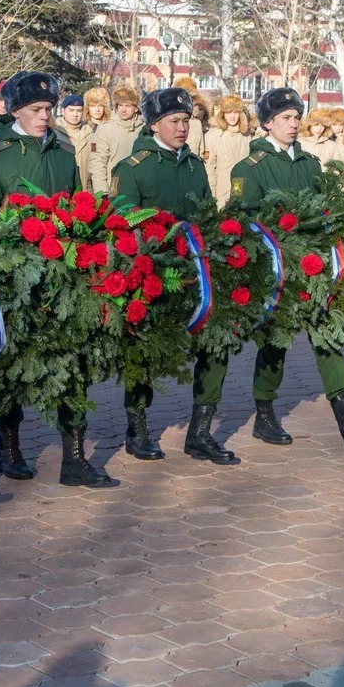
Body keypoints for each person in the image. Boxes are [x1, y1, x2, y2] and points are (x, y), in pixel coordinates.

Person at [0, 71, 113, 489]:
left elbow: (77, 204)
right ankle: (9, 447)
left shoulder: (63, 151)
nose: (45, 117)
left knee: (73, 362)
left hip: (64, 272)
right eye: (37, 110)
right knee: (13, 365)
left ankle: (74, 457)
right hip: (16, 274)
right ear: (16, 111)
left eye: (49, 110)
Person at [230, 88, 344, 452]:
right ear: (268, 123)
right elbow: (242, 220)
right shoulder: (249, 169)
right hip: (278, 269)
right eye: (286, 118)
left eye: (296, 117)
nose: (294, 124)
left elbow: (323, 209)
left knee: (325, 333)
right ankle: (265, 414)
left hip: (313, 266)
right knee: (276, 341)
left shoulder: (311, 164)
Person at [112, 87, 234, 464]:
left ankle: (200, 432)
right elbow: (123, 224)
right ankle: (138, 428)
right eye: (174, 121)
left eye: (186, 121)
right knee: (143, 351)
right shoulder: (134, 168)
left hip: (196, 271)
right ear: (154, 125)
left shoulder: (196, 165)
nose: (182, 128)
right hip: (154, 274)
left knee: (216, 341)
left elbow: (207, 215)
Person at [89, 84, 143, 195]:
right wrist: (102, 192)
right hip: (114, 188)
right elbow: (97, 161)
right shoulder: (105, 128)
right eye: (120, 105)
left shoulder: (144, 129)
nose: (123, 109)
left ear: (136, 107)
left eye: (128, 105)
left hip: (141, 188)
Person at [205, 93, 255, 206]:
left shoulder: (247, 136)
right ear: (222, 114)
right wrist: (211, 196)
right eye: (228, 112)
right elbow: (210, 169)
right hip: (222, 190)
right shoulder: (214, 135)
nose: (232, 116)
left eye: (236, 112)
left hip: (244, 189)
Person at [54, 94, 95, 193]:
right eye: (71, 110)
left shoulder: (92, 133)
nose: (75, 114)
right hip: (63, 192)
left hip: (87, 191)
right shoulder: (54, 133)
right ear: (63, 111)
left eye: (79, 111)